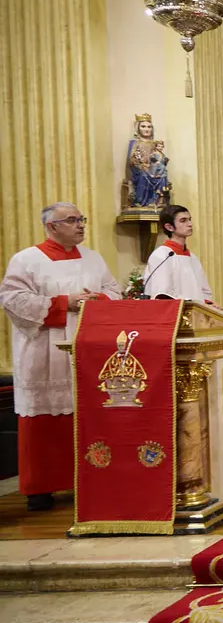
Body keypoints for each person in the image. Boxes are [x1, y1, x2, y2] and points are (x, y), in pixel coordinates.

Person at [0, 203, 122, 510]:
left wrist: (100, 299)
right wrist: (64, 302)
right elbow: (12, 299)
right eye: (72, 220)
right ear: (51, 226)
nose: (80, 224)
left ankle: (90, 478)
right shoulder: (27, 259)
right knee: (43, 423)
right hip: (44, 351)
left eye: (81, 219)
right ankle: (40, 488)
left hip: (88, 350)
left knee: (88, 416)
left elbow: (115, 290)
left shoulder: (93, 258)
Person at [143, 205, 215, 304]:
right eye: (183, 220)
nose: (190, 224)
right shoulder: (161, 256)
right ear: (169, 227)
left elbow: (204, 291)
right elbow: (161, 294)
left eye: (190, 219)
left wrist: (209, 305)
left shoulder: (193, 258)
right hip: (175, 314)